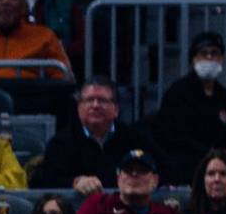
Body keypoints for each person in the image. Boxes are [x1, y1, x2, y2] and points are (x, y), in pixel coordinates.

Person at [30, 78, 158, 193]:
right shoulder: (60, 142)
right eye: (89, 100)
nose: (95, 106)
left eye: (102, 100)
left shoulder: (136, 138)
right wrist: (75, 182)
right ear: (79, 108)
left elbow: (162, 171)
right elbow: (49, 181)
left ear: (116, 110)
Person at [154, 32, 226, 184]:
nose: (209, 57)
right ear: (193, 59)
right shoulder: (177, 93)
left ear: (222, 59)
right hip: (183, 171)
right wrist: (210, 156)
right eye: (203, 53)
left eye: (214, 53)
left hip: (218, 173)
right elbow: (173, 137)